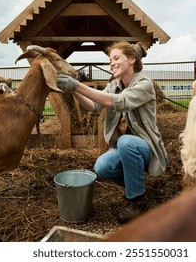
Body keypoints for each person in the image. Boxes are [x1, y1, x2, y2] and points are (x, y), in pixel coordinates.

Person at [56, 41, 168, 224]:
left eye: (116, 58)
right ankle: (137, 187)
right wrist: (72, 91)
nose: (112, 63)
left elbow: (119, 102)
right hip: (127, 149)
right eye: (110, 60)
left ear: (132, 59)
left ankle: (137, 202)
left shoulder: (144, 84)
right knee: (102, 166)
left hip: (146, 148)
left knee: (126, 142)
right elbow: (93, 106)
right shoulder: (114, 85)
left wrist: (77, 85)